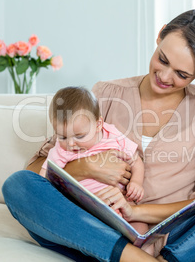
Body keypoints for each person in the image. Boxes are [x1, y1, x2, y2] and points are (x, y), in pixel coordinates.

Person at [2, 9, 195, 262]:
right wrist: (84, 167)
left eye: (181, 74)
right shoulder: (105, 93)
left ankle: (147, 258)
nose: (164, 76)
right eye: (162, 59)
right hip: (99, 226)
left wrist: (137, 212)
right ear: (160, 36)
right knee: (18, 186)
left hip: (177, 232)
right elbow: (36, 173)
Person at [39, 86, 153, 255]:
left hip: (120, 204)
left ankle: (139, 255)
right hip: (84, 208)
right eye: (62, 137)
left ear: (98, 124)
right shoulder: (60, 150)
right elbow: (44, 180)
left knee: (141, 228)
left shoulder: (113, 136)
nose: (71, 144)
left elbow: (135, 160)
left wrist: (136, 182)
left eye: (79, 136)